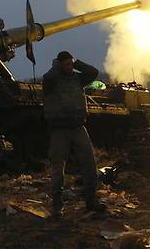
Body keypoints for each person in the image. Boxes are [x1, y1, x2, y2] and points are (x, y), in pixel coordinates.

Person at [43, 51, 107, 218]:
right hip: (60, 130)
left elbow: (93, 73)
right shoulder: (51, 80)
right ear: (59, 65)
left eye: (71, 64)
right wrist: (56, 67)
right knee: (58, 169)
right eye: (66, 64)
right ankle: (57, 207)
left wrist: (77, 62)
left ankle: (91, 201)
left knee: (89, 165)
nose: (70, 68)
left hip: (78, 127)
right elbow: (48, 78)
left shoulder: (78, 79)